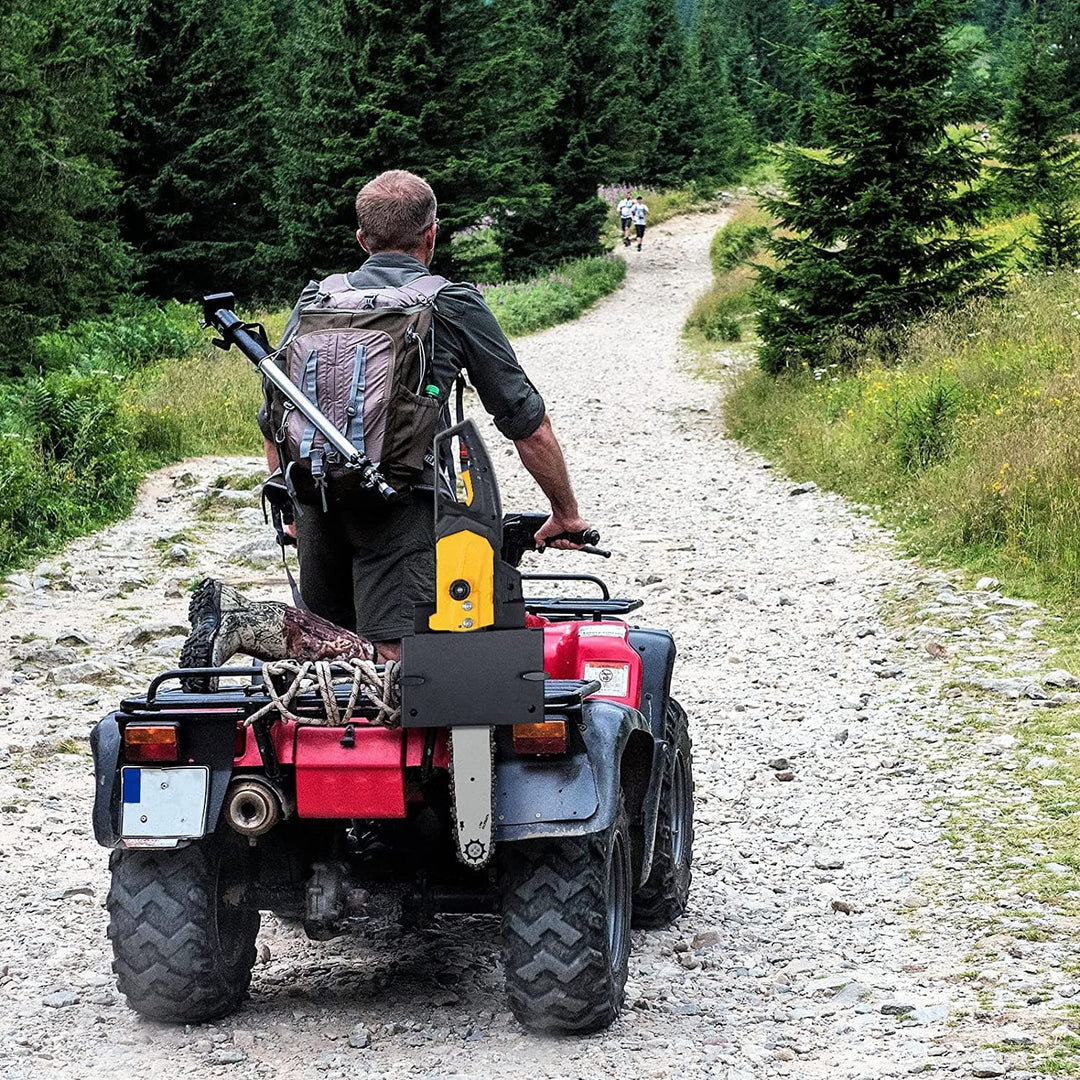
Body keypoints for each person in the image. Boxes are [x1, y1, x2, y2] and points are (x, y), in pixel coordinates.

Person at [257, 170, 589, 662]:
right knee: (398, 660)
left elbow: (274, 415)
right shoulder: (449, 302)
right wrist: (565, 513)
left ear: (362, 239)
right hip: (402, 508)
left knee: (323, 653)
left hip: (317, 505)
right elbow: (526, 422)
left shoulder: (316, 300)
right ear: (431, 234)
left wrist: (291, 506)